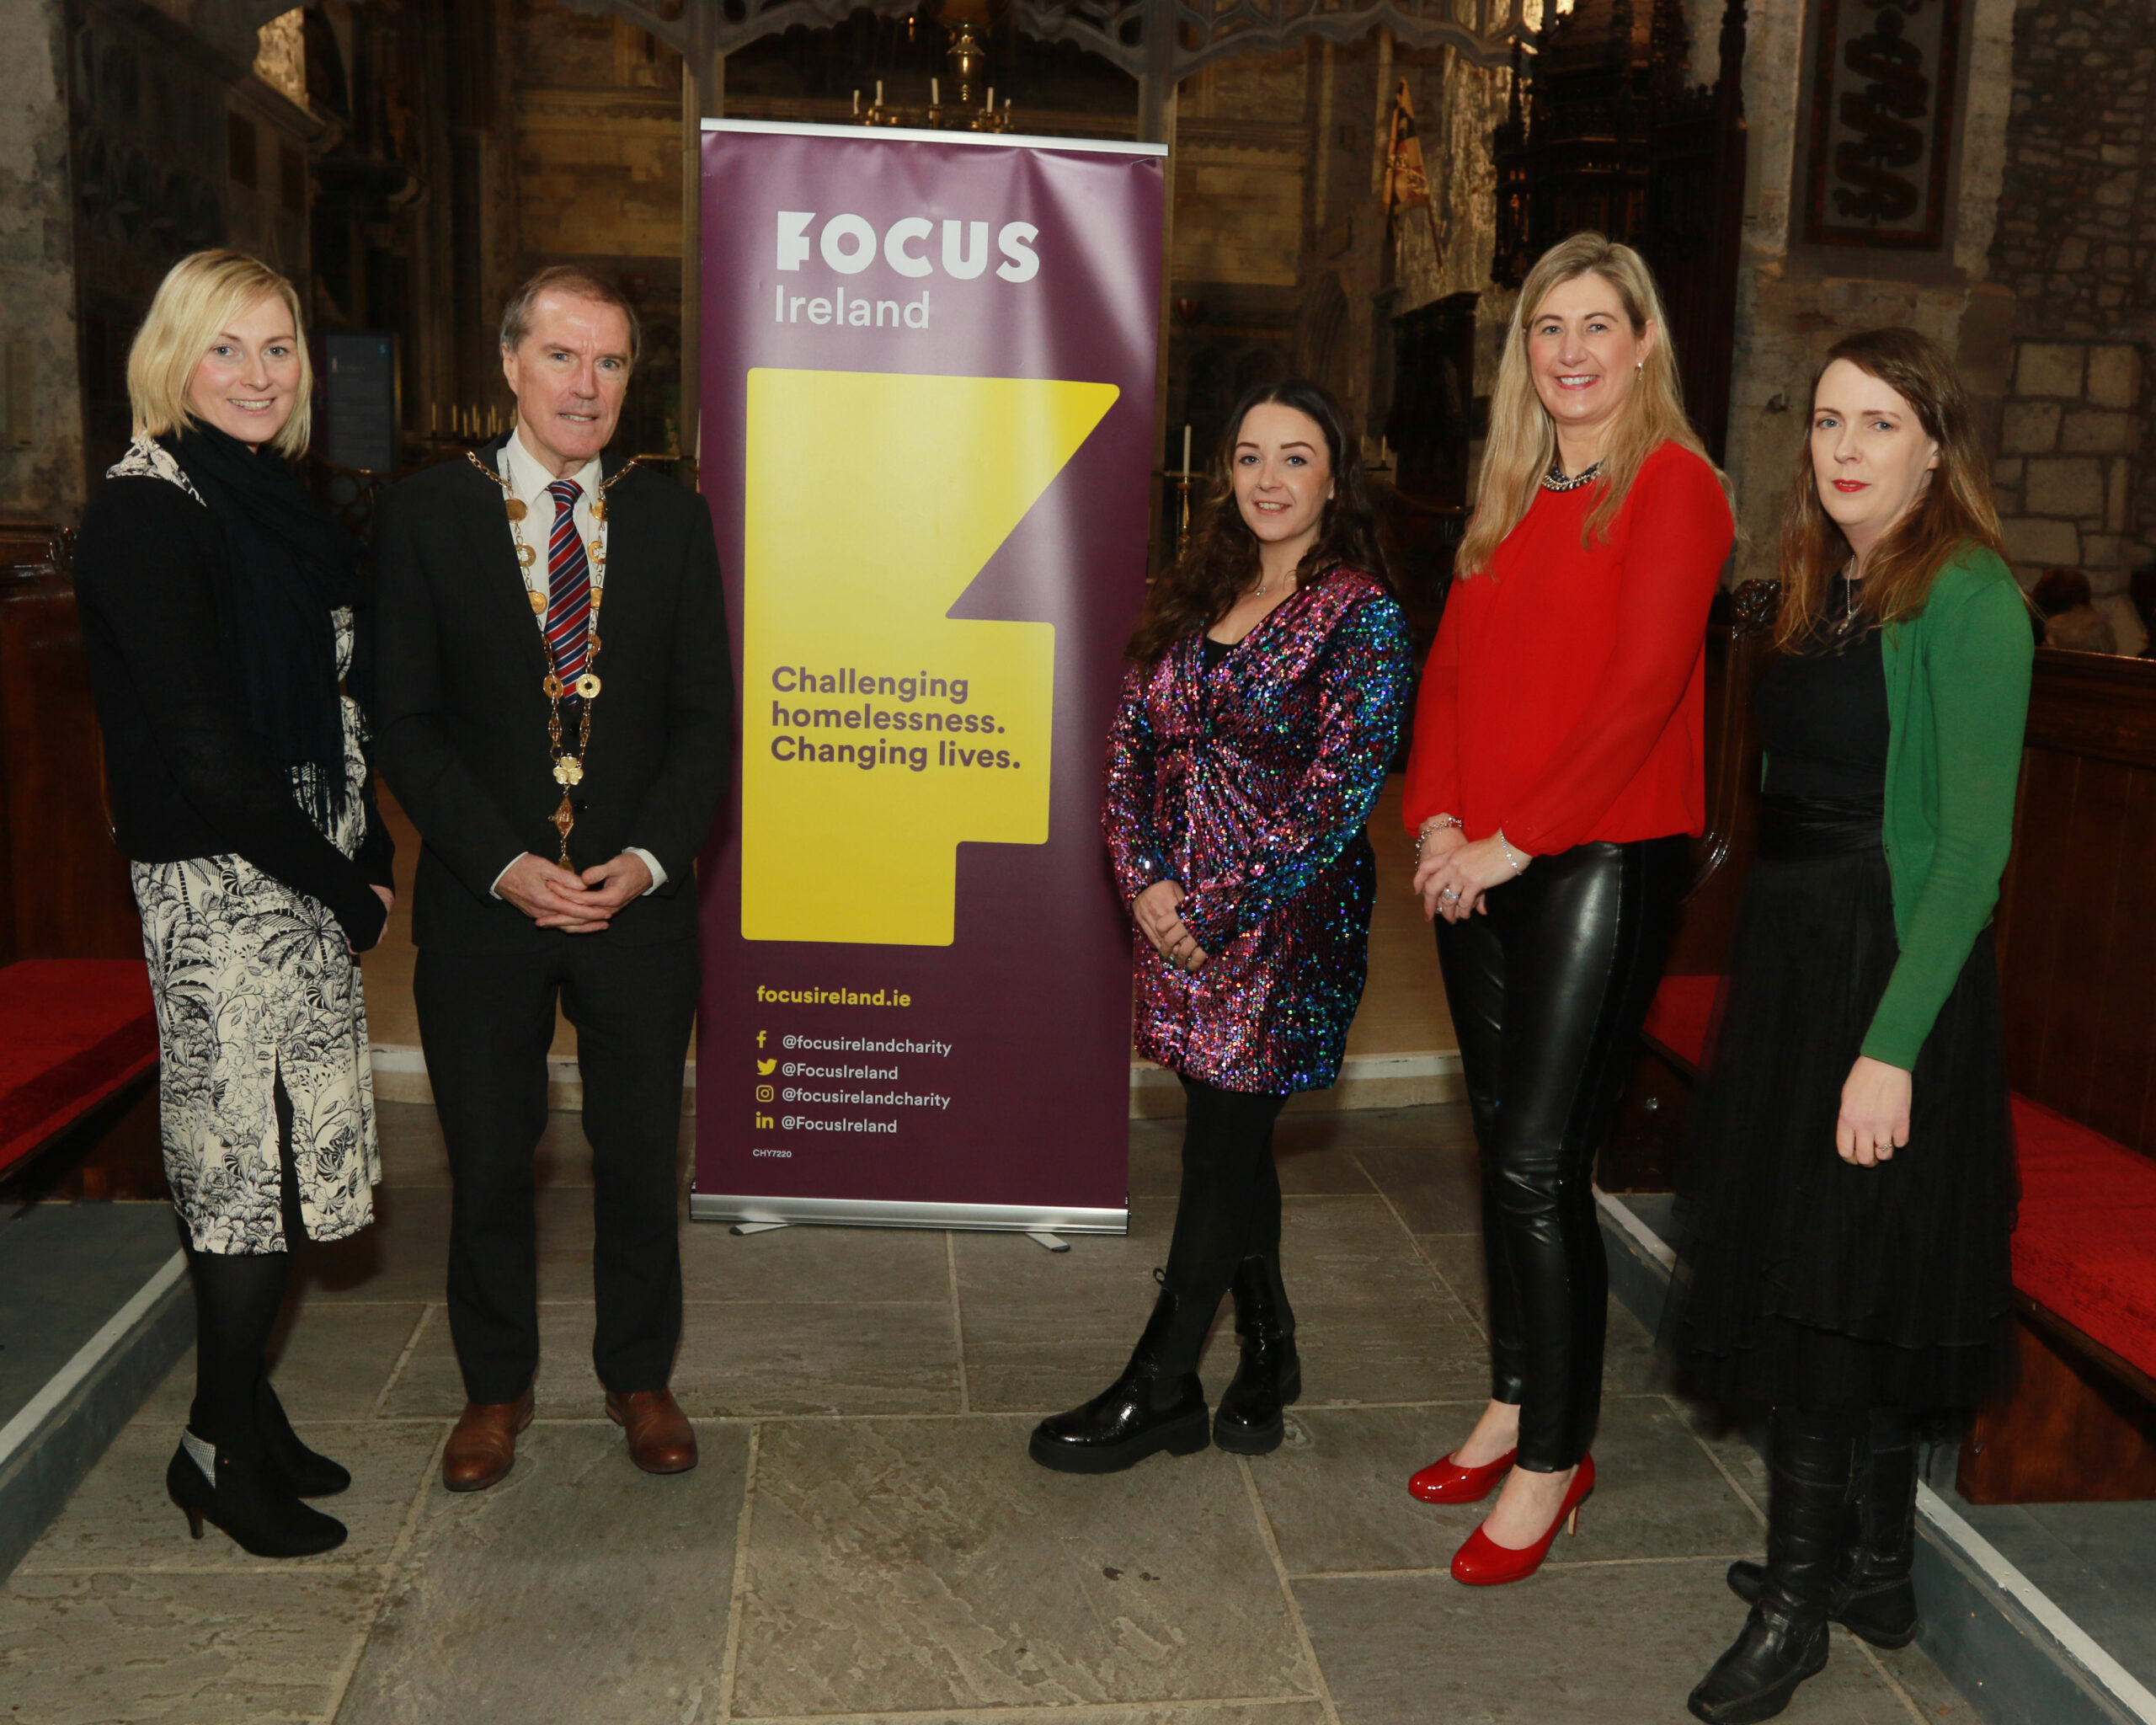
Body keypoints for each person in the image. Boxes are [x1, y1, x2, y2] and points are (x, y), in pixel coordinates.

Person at [1664, 328, 2031, 1724]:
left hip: (1895, 965)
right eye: (1828, 421)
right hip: (1803, 942)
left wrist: (1888, 1045)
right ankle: (1872, 1568)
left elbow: (1970, 853)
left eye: (1879, 424)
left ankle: (1803, 1612)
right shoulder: (1826, 581)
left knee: (1831, 1275)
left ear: (1937, 447)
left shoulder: (1976, 596)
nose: (1845, 449)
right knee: (1844, 1262)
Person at [1401, 232, 1733, 1584]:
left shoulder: (1676, 488)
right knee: (1500, 1144)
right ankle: (1512, 1397)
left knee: (1545, 1162)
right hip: (1477, 854)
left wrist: (1509, 843)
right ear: (1524, 354)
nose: (1576, 352)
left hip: (1600, 852)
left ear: (1643, 343)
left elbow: (1641, 691)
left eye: (1602, 325)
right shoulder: (1507, 493)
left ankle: (1557, 1460)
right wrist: (1433, 817)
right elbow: (1451, 678)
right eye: (1552, 329)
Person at [369, 266, 732, 1491]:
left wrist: (640, 862)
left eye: (613, 363)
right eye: (564, 357)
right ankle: (493, 1389)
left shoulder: (674, 520)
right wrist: (507, 864)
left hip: (638, 909)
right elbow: (405, 722)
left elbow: (705, 722)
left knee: (637, 1153)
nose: (588, 386)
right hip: (486, 905)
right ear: (513, 365)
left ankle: (639, 1376)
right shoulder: (425, 515)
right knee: (487, 1155)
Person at [1029, 377, 1412, 1475]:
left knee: (1218, 1147)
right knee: (1230, 1141)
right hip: (1177, 926)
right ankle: (1272, 1349)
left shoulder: (1361, 615)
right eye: (1250, 456)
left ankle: (1161, 1386)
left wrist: (1211, 909)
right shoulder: (1197, 593)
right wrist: (1146, 881)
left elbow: (1335, 797)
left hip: (1284, 930)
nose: (1270, 479)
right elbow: (1128, 752)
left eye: (1296, 457)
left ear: (1334, 478)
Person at [73, 249, 393, 1558]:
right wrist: (346, 885)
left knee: (292, 1154)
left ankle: (248, 1414)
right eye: (227, 349)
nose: (257, 375)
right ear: (172, 360)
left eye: (277, 350)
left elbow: (341, 701)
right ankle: (213, 1443)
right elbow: (205, 751)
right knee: (241, 1175)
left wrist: (362, 841)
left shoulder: (276, 502)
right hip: (219, 884)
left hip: (300, 861)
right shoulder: (148, 512)